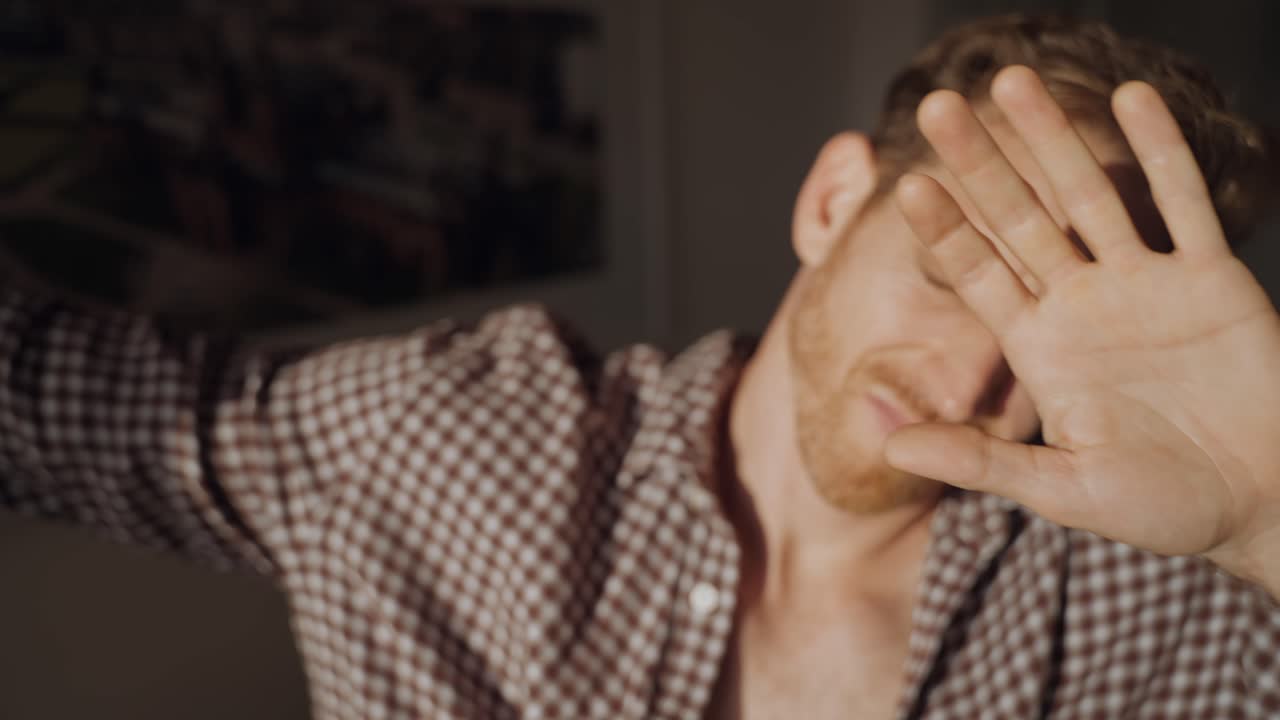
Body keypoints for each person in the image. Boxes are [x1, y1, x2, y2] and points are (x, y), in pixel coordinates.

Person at [3, 13, 1280, 719]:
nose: (965, 390)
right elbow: (42, 396)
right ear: (834, 199)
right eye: (952, 274)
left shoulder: (1167, 604)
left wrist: (1272, 512)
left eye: (1049, 356)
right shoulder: (439, 442)